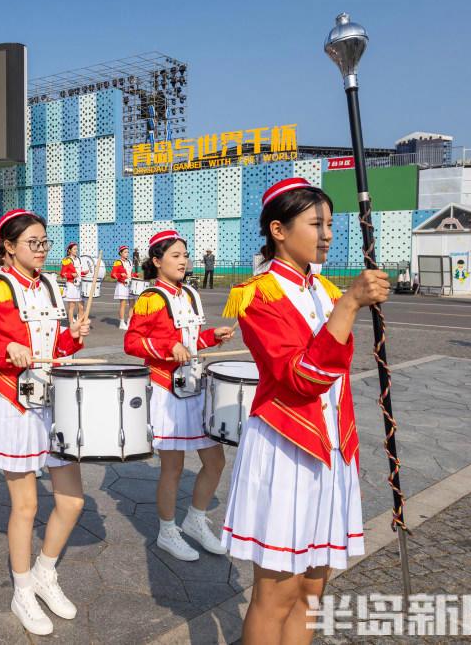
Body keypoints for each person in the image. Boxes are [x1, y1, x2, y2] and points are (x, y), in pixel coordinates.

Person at [220, 177, 389, 644]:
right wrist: (350, 304)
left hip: (333, 448)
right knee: (277, 594)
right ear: (278, 229)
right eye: (316, 224)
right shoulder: (258, 295)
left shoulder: (326, 290)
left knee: (313, 590)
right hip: (287, 448)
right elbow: (301, 378)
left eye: (330, 224)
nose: (327, 234)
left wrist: (348, 303)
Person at [0, 209, 91, 636]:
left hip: (53, 401)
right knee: (26, 506)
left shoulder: (51, 285)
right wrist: (5, 352)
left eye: (44, 242)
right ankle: (21, 591)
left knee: (72, 501)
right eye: (32, 242)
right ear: (10, 246)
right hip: (13, 403)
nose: (41, 249)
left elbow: (55, 349)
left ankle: (44, 573)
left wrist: (73, 337)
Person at [124, 230, 236, 563]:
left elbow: (189, 342)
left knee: (215, 461)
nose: (183, 261)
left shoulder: (189, 294)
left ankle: (196, 519)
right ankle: (167, 530)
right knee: (173, 468)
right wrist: (166, 347)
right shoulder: (151, 298)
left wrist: (211, 336)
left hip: (194, 386)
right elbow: (131, 342)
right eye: (175, 255)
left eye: (185, 255)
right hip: (166, 390)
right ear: (157, 261)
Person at [59, 242, 87, 324]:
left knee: (81, 305)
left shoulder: (78, 259)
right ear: (69, 250)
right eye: (74, 249)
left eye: (77, 249)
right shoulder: (66, 260)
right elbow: (62, 274)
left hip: (79, 284)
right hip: (71, 285)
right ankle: (71, 324)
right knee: (72, 306)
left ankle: (79, 323)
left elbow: (78, 273)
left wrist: (84, 272)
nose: (76, 250)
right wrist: (71, 275)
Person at [111, 245, 134, 329]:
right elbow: (113, 274)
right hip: (122, 285)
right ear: (120, 253)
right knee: (123, 304)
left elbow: (130, 274)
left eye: (127, 252)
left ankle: (129, 321)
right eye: (125, 252)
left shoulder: (130, 262)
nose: (127, 253)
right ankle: (121, 322)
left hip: (130, 284)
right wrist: (120, 274)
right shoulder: (118, 262)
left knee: (132, 304)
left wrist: (135, 275)